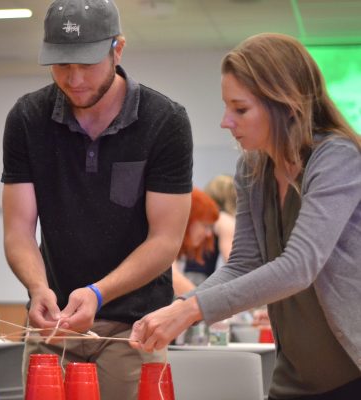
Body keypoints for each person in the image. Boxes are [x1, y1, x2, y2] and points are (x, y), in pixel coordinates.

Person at [130, 33, 361, 399]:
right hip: (296, 377)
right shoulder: (253, 168)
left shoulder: (337, 158)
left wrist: (191, 311)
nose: (226, 122)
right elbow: (243, 263)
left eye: (240, 109)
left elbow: (300, 266)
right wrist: (176, 309)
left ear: (286, 105)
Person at [1, 0, 193, 398]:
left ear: (117, 49)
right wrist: (39, 288)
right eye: (60, 65)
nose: (73, 80)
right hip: (53, 328)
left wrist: (98, 292)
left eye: (87, 64)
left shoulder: (165, 121)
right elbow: (19, 230)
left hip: (134, 330)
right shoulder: (27, 118)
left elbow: (165, 240)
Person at [183, 174, 236, 285]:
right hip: (200, 281)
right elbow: (232, 260)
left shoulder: (202, 218)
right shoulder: (223, 220)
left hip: (187, 275)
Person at [171, 188, 220, 297]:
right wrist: (211, 306)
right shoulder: (166, 246)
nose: (208, 234)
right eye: (205, 225)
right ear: (189, 220)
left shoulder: (177, 253)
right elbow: (172, 277)